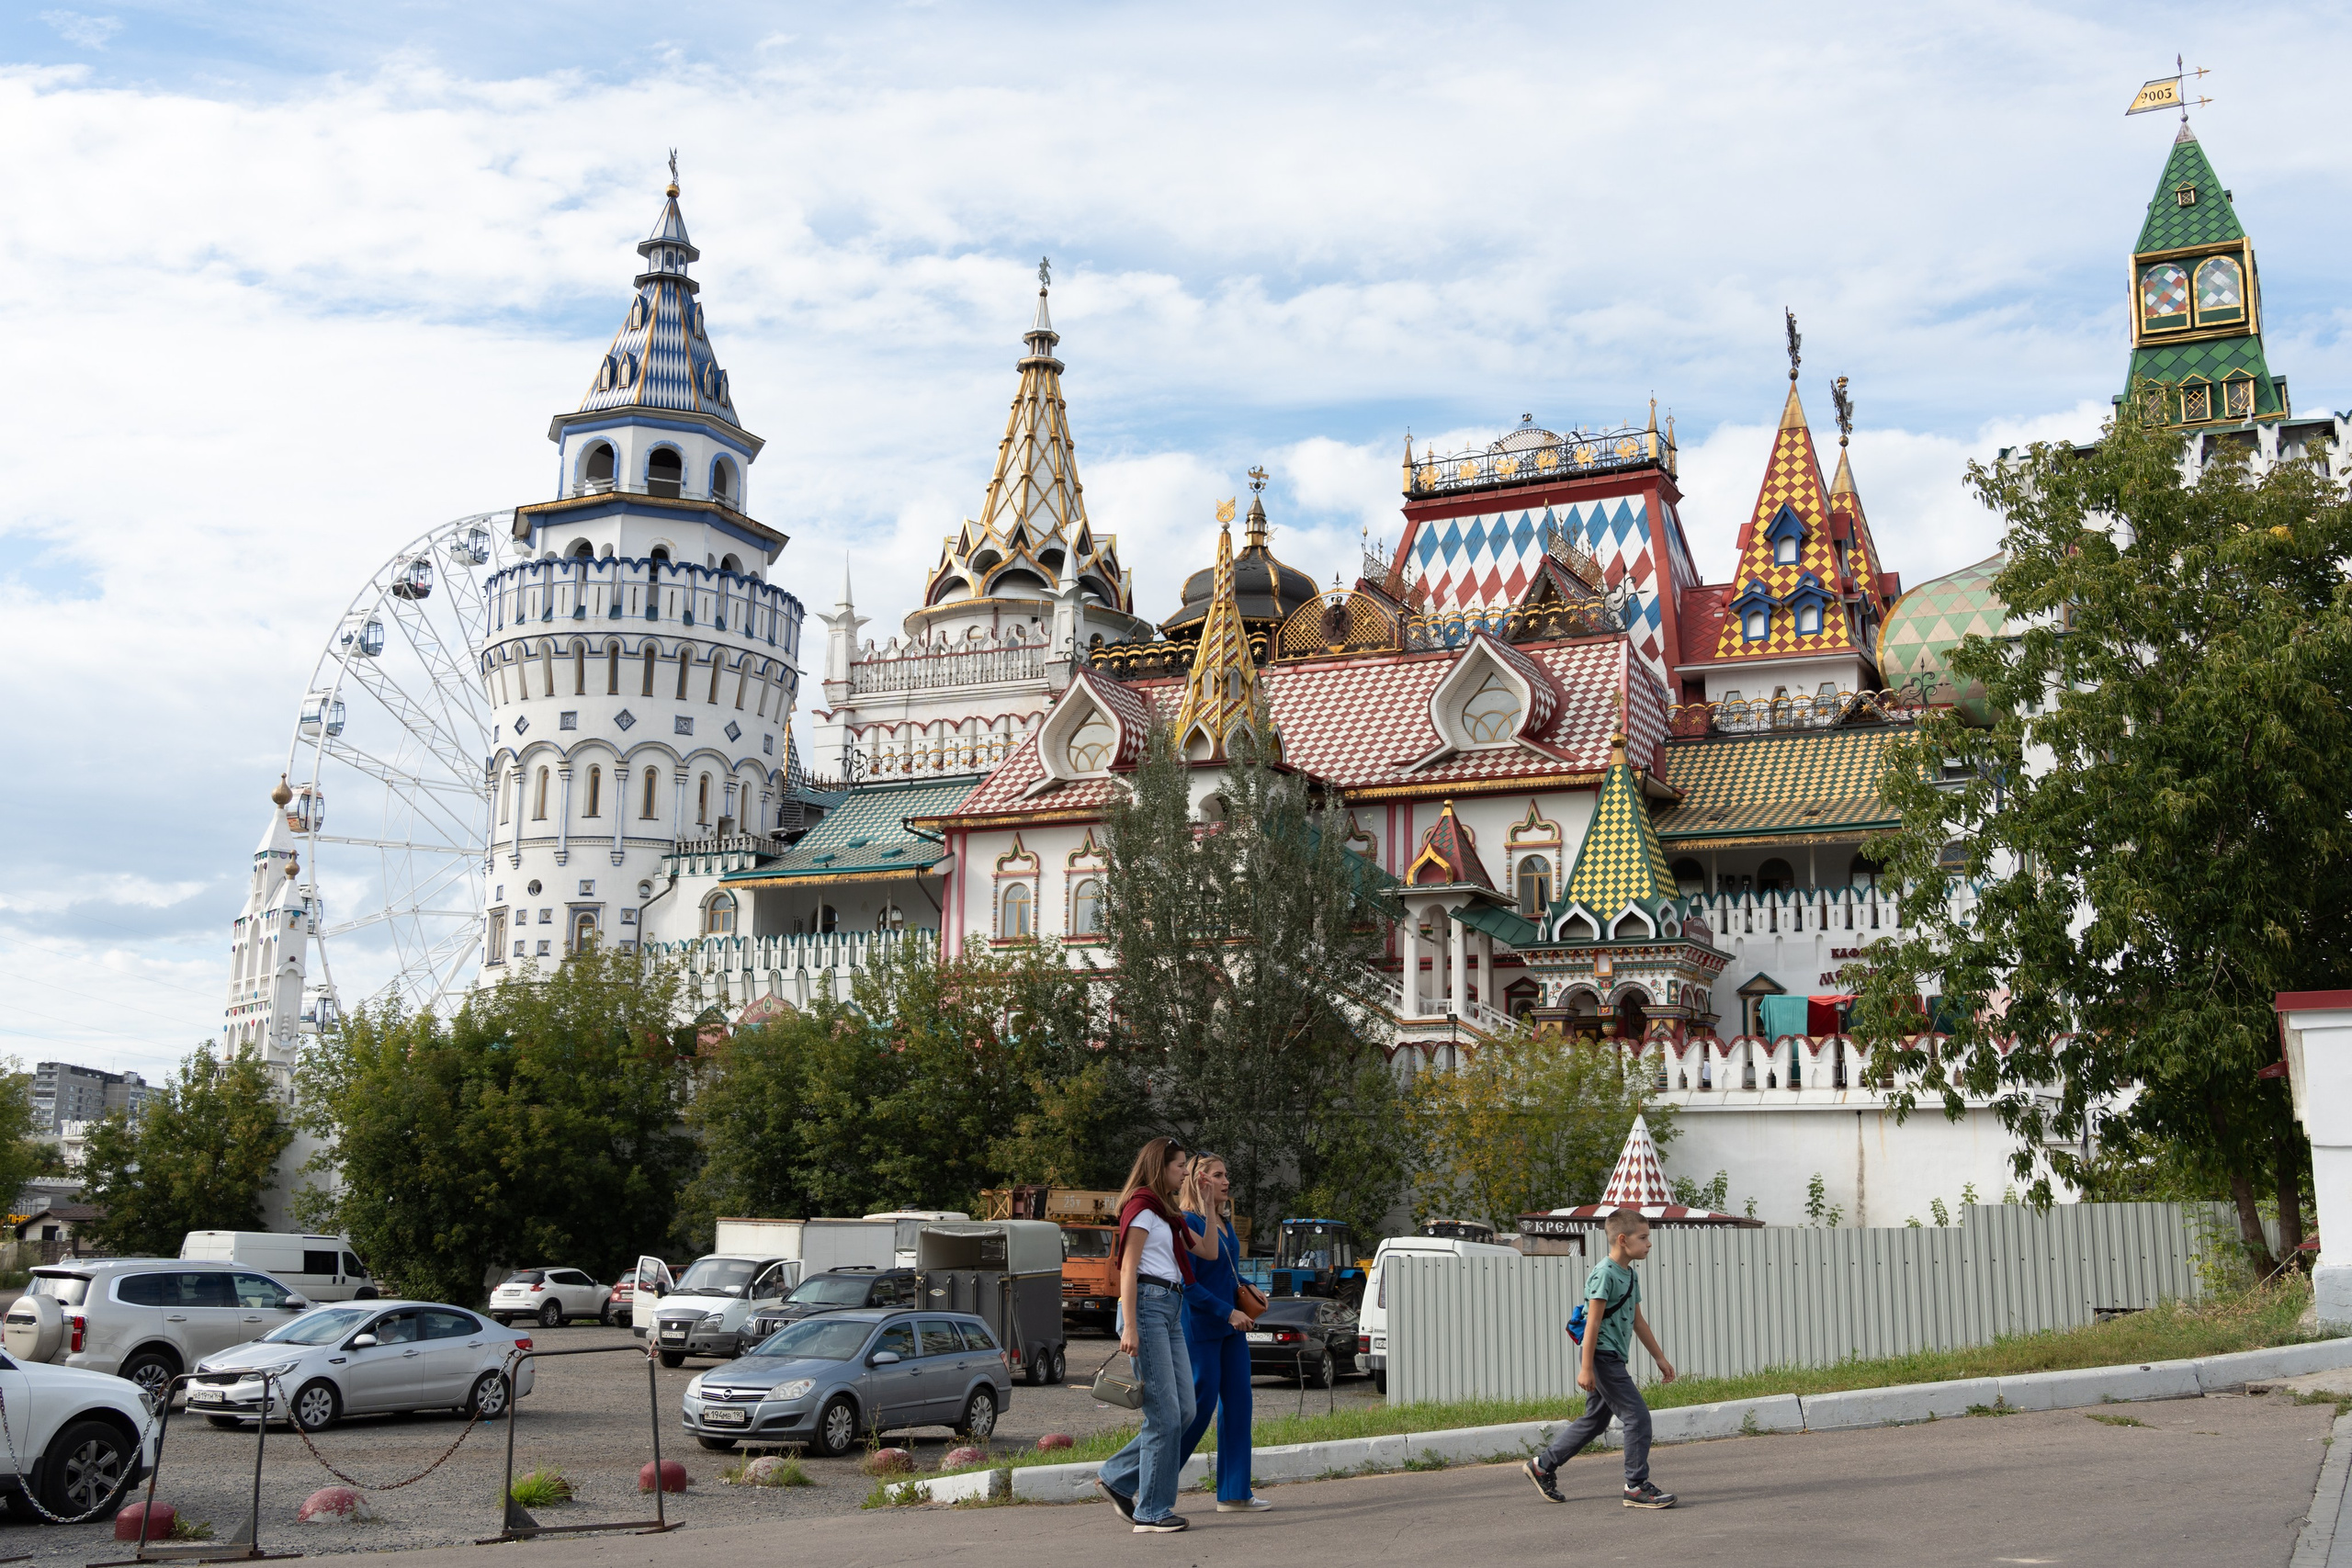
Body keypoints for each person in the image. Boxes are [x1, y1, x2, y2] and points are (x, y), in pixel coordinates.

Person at [1095, 1136, 1216, 1534]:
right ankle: (1151, 1511)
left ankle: (1116, 1476)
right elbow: (1128, 1269)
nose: (1185, 1172)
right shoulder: (1142, 1207)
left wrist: (1209, 1204)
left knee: (1184, 1411)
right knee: (1164, 1414)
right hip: (1146, 1306)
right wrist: (1129, 1325)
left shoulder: (1169, 1214)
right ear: (1159, 1167)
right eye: (1179, 1165)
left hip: (1170, 1306)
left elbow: (1209, 1252)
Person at [1523, 1209, 1679, 1509]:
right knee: (1637, 1416)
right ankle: (1635, 1486)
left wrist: (1660, 1358)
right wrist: (1586, 1368)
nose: (1649, 1244)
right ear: (1623, 1240)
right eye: (1643, 1237)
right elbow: (1592, 1323)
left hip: (1611, 1356)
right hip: (1601, 1357)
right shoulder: (1604, 1273)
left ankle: (1542, 1466)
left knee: (1595, 1421)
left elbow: (1638, 1321)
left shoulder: (1630, 1274)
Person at [1177, 1154, 1268, 1512]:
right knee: (1198, 1410)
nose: (1226, 1180)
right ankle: (1149, 1482)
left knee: (1240, 1405)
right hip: (1202, 1326)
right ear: (1200, 1180)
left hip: (1233, 1328)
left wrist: (1250, 1290)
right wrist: (1226, 1311)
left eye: (1226, 1174)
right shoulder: (1186, 1222)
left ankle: (1234, 1493)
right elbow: (1190, 1286)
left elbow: (1228, 1273)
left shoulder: (1223, 1222)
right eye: (1218, 1175)